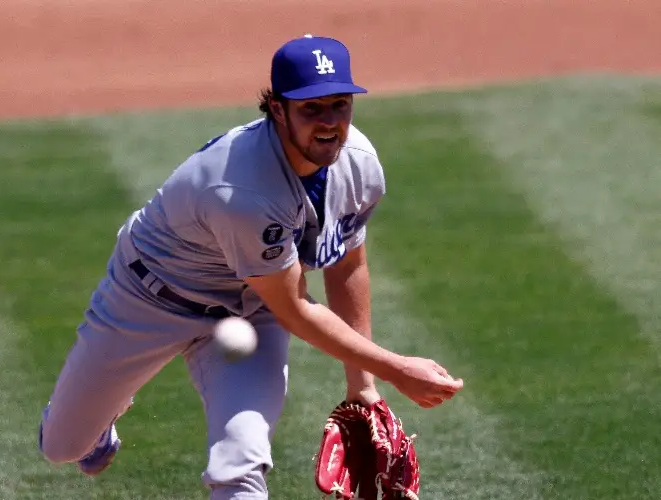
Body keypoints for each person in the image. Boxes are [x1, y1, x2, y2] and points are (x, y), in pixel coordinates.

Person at [38, 34, 464, 499]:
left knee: (240, 461)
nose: (329, 123)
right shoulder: (244, 192)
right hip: (148, 300)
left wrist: (362, 386)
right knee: (64, 447)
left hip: (251, 311)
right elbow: (296, 310)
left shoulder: (358, 164)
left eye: (339, 105)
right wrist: (397, 368)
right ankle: (103, 417)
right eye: (311, 109)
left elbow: (346, 264)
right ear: (277, 109)